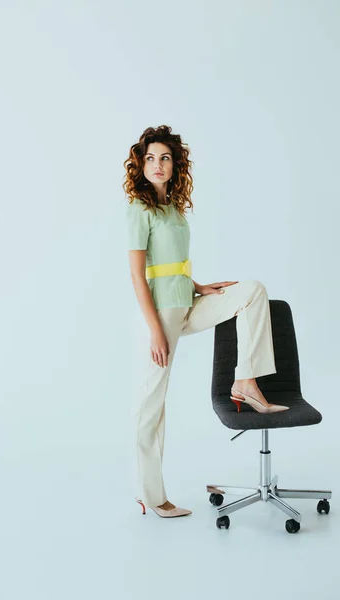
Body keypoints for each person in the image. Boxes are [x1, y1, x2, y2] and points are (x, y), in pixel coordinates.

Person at [123, 125, 289, 519]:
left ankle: (245, 381)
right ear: (140, 164)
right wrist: (155, 331)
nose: (158, 165)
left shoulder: (174, 208)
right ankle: (151, 496)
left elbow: (171, 265)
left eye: (164, 157)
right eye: (150, 158)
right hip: (161, 316)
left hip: (187, 301)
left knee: (251, 290)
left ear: (174, 163)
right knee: (152, 404)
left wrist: (200, 286)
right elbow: (137, 275)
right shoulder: (139, 208)